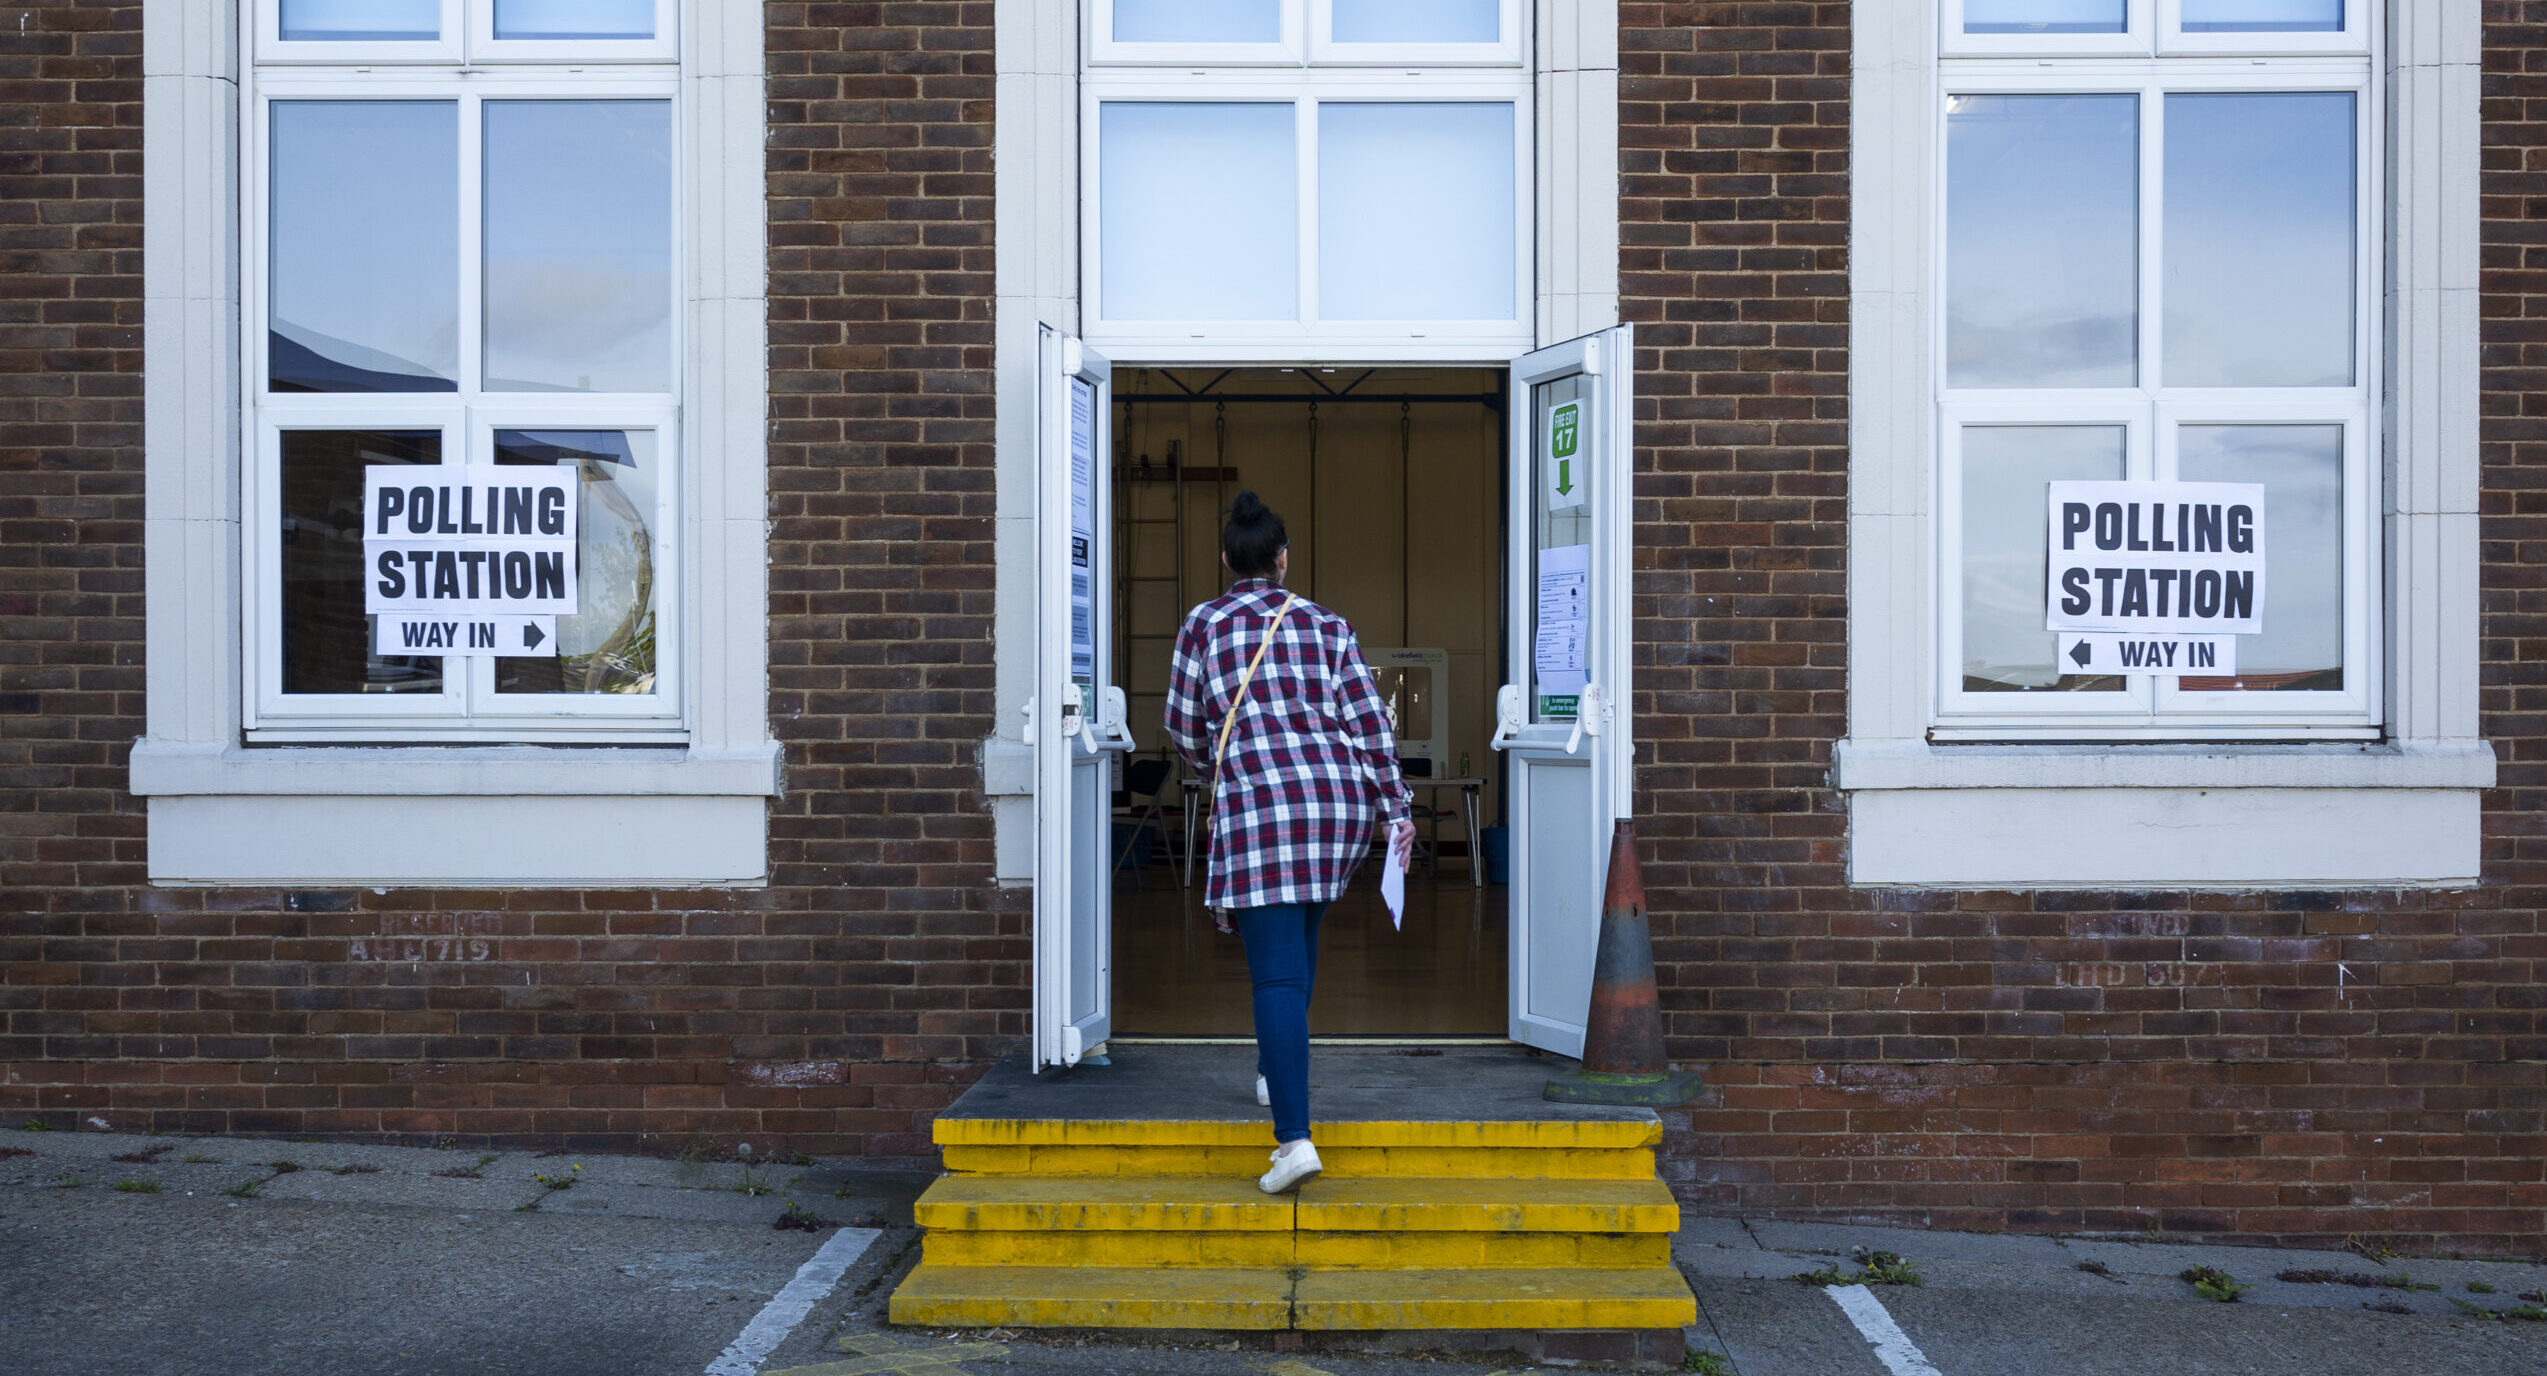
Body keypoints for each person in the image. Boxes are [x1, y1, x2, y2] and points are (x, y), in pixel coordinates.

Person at [1165, 491, 1415, 1195]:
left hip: (1261, 807)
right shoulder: (1327, 624)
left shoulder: (1202, 625)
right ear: (1282, 559)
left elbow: (1184, 726)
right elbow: (1370, 724)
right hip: (1335, 807)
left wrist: (1224, 759)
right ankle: (1277, 1078)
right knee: (1297, 955)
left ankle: (1293, 1141)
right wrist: (1395, 805)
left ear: (1225, 559)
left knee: (1274, 976)